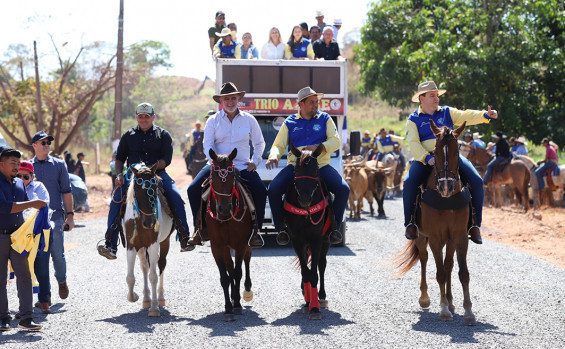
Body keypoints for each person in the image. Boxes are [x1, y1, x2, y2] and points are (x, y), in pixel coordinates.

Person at [403, 81, 498, 245]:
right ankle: (410, 223)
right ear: (421, 98)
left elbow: (466, 115)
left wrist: (485, 115)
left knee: (476, 181)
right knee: (409, 182)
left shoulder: (447, 112)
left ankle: (475, 225)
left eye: (437, 95)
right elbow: (413, 143)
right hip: (426, 158)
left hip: (451, 157)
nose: (436, 98)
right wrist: (427, 158)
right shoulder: (413, 119)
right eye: (432, 95)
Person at [97, 103, 191, 260]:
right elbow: (119, 158)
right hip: (133, 175)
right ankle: (110, 244)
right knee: (116, 200)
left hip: (157, 173)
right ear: (137, 117)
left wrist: (151, 168)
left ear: (153, 117)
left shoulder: (164, 135)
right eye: (140, 116)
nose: (144, 119)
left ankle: (184, 237)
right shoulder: (128, 135)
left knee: (175, 195)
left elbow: (166, 159)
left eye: (147, 116)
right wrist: (119, 175)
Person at [186, 82, 266, 248]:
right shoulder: (213, 121)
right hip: (217, 167)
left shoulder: (249, 120)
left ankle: (256, 231)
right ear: (221, 101)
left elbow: (259, 143)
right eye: (227, 99)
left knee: (260, 190)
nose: (230, 102)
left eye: (233, 98)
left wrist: (254, 161)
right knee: (193, 189)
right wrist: (216, 162)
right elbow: (207, 146)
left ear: (238, 100)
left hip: (242, 166)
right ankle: (199, 229)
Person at [266, 87, 349, 245]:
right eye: (312, 102)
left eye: (317, 102)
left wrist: (319, 146)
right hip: (295, 167)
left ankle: (334, 229)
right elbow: (278, 145)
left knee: (344, 189)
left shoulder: (325, 118)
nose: (316, 105)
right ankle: (281, 230)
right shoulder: (289, 122)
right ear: (301, 104)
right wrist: (274, 155)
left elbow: (336, 141)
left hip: (321, 165)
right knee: (274, 189)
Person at [0, 145, 46, 331]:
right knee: (1, 279)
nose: (16, 166)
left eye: (18, 163)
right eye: (12, 163)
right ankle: (3, 318)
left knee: (24, 276)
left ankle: (26, 318)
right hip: (0, 237)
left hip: (18, 238)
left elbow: (25, 210)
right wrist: (33, 203)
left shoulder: (19, 183)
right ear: (1, 164)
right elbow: (4, 207)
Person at [30, 131, 75, 313]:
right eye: (43, 142)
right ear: (34, 145)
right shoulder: (27, 167)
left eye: (48, 142)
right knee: (39, 257)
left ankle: (61, 280)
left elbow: (66, 190)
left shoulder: (59, 165)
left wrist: (70, 215)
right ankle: (44, 296)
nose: (47, 144)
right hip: (32, 219)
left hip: (55, 216)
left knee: (57, 254)